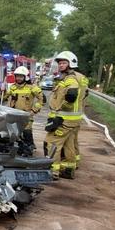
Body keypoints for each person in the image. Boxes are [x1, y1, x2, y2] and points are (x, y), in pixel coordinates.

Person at [44, 51, 82, 179]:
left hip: (63, 119)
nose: (60, 65)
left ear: (70, 64)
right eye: (59, 63)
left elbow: (71, 95)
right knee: (68, 145)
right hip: (72, 120)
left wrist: (61, 110)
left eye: (64, 63)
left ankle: (52, 171)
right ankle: (67, 169)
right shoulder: (70, 78)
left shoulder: (70, 79)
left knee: (51, 143)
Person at [3, 65, 43, 152]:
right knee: (13, 133)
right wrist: (2, 91)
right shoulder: (12, 87)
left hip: (26, 115)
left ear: (25, 77)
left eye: (21, 76)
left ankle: (30, 147)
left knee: (27, 132)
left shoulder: (32, 88)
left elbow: (42, 99)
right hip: (13, 114)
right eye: (17, 76)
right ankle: (18, 148)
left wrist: (34, 110)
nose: (18, 78)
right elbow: (4, 97)